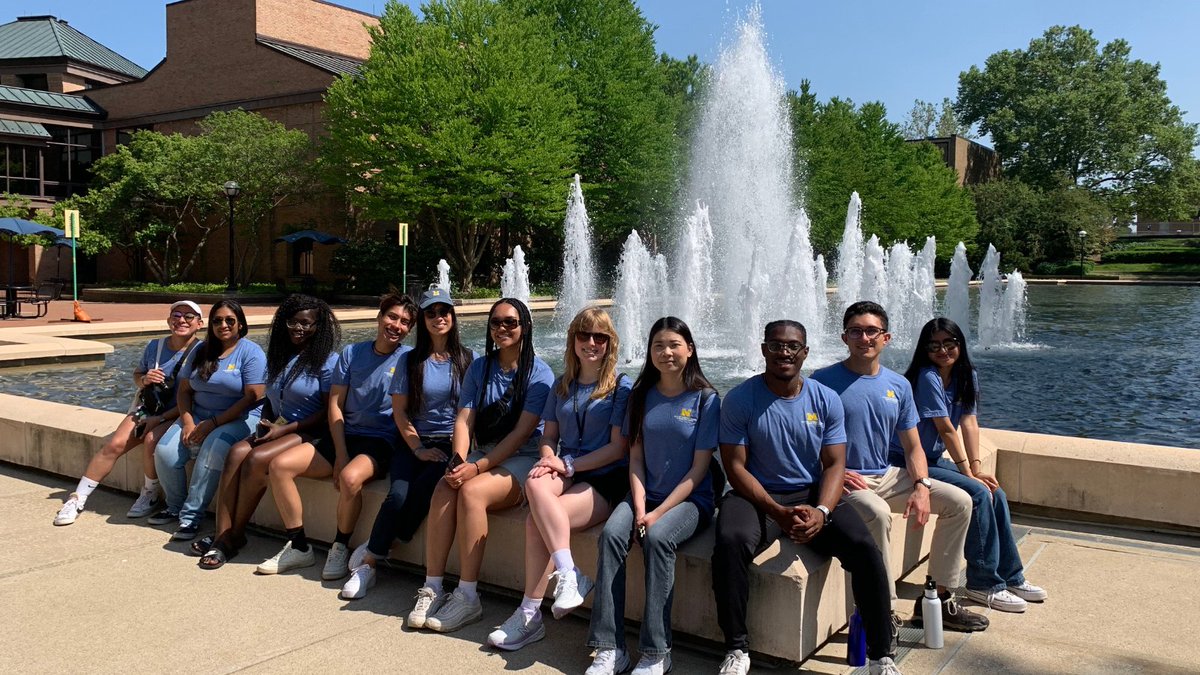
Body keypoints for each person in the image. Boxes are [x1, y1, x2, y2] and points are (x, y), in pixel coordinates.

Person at [713, 320, 900, 675]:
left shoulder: (825, 399)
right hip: (755, 494)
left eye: (793, 346)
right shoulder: (740, 399)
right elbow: (735, 468)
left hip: (811, 492)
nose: (784, 352)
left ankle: (881, 656)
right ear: (764, 349)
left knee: (864, 547)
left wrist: (822, 511)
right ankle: (736, 647)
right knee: (730, 542)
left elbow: (835, 464)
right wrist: (776, 511)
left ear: (805, 352)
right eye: (776, 345)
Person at [810, 301, 987, 637]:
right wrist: (832, 470)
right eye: (856, 331)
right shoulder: (822, 381)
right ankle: (883, 611)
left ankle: (939, 599)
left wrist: (921, 485)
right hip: (845, 480)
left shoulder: (899, 385)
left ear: (886, 337)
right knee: (877, 514)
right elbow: (806, 437)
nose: (864, 338)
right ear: (844, 337)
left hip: (888, 475)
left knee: (960, 502)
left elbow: (913, 446)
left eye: (872, 331)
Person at [487, 307, 632, 651]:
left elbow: (617, 449)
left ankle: (529, 615)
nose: (591, 342)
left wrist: (567, 465)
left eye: (600, 336)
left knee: (536, 522)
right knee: (535, 481)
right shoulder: (562, 384)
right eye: (584, 335)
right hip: (567, 466)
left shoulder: (620, 387)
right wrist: (549, 458)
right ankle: (569, 573)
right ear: (573, 340)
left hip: (604, 476)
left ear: (610, 343)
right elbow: (548, 436)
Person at [413, 298, 554, 633]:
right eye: (495, 322)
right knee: (445, 486)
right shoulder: (480, 368)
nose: (502, 328)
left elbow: (521, 434)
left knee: (472, 492)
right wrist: (459, 461)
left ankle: (467, 595)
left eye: (510, 322)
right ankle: (433, 586)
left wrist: (476, 469)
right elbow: (464, 419)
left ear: (525, 327)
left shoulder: (540, 373)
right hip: (485, 452)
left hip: (524, 457)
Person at [586, 317, 718, 675]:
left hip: (690, 500)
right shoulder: (641, 395)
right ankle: (610, 648)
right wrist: (641, 507)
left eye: (674, 345)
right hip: (645, 494)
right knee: (612, 534)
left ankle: (656, 651)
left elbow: (699, 470)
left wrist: (655, 516)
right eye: (658, 345)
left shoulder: (706, 399)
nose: (666, 352)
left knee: (658, 539)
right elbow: (636, 460)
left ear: (689, 349)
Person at [892, 317, 1046, 612]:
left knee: (996, 492)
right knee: (977, 494)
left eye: (949, 343)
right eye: (934, 345)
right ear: (924, 350)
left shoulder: (966, 374)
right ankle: (983, 585)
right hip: (905, 459)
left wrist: (976, 469)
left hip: (932, 458)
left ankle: (1012, 577)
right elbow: (945, 429)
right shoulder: (927, 377)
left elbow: (969, 422)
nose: (943, 350)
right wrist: (969, 475)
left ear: (960, 344)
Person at [258, 292, 415, 577]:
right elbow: (335, 405)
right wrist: (341, 454)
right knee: (280, 466)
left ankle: (339, 546)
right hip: (344, 434)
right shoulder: (352, 354)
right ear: (379, 317)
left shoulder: (408, 359)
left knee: (350, 478)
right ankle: (299, 546)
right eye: (392, 317)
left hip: (380, 441)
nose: (396, 325)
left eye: (405, 322)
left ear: (410, 329)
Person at [340, 287, 474, 599]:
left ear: (453, 316)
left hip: (452, 442)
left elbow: (469, 414)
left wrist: (460, 454)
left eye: (444, 311)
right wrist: (418, 448)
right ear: (423, 321)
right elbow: (400, 412)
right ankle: (369, 567)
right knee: (397, 495)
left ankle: (378, 546)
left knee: (429, 486)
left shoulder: (468, 359)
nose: (439, 318)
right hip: (413, 441)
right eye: (431, 313)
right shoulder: (410, 360)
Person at [193, 295, 341, 569]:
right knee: (236, 452)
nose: (298, 328)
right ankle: (223, 533)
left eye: (306, 323)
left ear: (318, 327)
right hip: (279, 428)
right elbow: (271, 399)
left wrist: (283, 430)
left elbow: (326, 412)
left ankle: (231, 538)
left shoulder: (327, 361)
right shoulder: (280, 356)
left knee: (257, 459)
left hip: (311, 431)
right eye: (293, 322)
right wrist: (267, 423)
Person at [54, 301, 203, 526]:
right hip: (149, 407)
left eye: (189, 316)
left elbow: (197, 395)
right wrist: (145, 379)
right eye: (176, 315)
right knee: (114, 444)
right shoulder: (155, 346)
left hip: (179, 413)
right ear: (168, 320)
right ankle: (77, 498)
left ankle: (149, 493)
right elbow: (137, 374)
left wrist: (160, 419)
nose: (181, 320)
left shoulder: (202, 352)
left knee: (152, 440)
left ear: (199, 324)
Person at [152, 300, 266, 541]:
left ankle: (190, 518)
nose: (223, 325)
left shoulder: (251, 352)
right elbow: (184, 390)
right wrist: (188, 421)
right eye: (217, 320)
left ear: (241, 324)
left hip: (240, 418)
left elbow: (252, 397)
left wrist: (213, 424)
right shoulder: (201, 351)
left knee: (212, 451)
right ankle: (175, 506)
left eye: (229, 320)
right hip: (199, 415)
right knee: (164, 452)